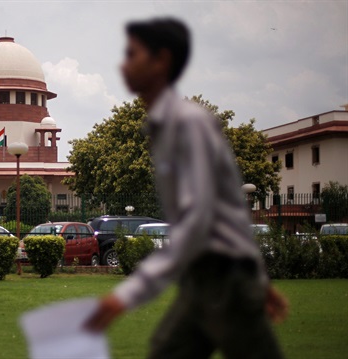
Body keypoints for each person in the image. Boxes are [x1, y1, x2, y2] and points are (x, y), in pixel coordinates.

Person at [85, 18, 289, 358]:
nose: (123, 64)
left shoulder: (187, 125)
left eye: (133, 54)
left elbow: (199, 220)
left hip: (224, 282)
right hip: (205, 280)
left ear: (161, 61)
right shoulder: (164, 128)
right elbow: (231, 211)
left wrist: (127, 295)